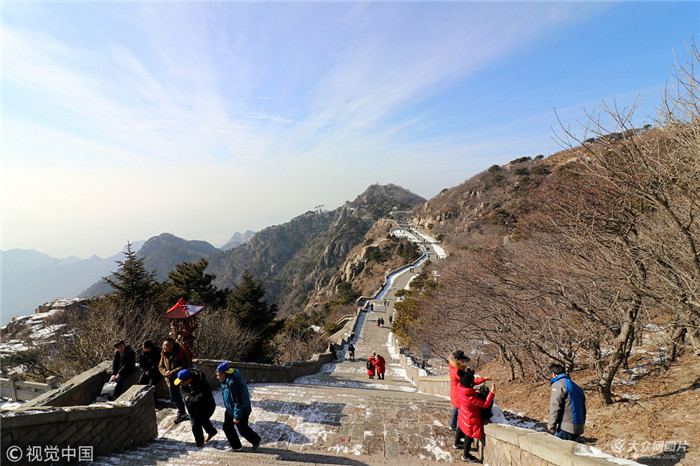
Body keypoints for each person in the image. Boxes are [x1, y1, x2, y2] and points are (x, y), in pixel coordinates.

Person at [216, 362, 262, 452]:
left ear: (224, 373)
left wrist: (236, 416)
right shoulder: (227, 379)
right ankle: (236, 446)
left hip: (241, 409)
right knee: (227, 427)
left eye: (218, 375)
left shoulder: (233, 382)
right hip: (231, 409)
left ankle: (256, 440)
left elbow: (238, 401)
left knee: (242, 429)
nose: (217, 377)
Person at [455, 370, 495, 463]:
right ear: (469, 384)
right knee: (469, 435)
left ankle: (456, 443)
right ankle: (466, 455)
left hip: (463, 413)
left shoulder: (460, 386)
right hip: (470, 417)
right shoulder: (471, 398)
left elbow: (471, 383)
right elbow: (485, 404)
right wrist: (491, 393)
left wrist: (483, 379)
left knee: (461, 425)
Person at [174, 368, 217, 447]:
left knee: (198, 423)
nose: (182, 383)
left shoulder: (201, 383)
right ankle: (210, 434)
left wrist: (188, 398)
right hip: (192, 407)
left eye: (183, 381)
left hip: (205, 406)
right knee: (200, 422)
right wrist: (186, 396)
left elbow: (200, 398)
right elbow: (182, 390)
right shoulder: (184, 384)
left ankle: (200, 441)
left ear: (189, 379)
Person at [548, 363, 586, 441]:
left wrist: (552, 424)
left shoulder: (559, 385)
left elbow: (555, 405)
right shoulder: (575, 386)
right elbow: (583, 407)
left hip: (567, 426)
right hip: (578, 425)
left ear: (553, 374)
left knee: (553, 447)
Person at [159, 337, 191, 424]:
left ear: (172, 345)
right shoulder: (164, 354)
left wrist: (173, 372)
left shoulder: (181, 351)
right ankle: (182, 412)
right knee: (174, 398)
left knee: (186, 397)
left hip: (181, 379)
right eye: (163, 345)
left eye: (166, 345)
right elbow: (160, 366)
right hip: (170, 381)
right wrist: (165, 372)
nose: (164, 347)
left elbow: (185, 365)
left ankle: (192, 413)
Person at [448, 350, 471, 431]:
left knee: (455, 409)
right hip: (458, 393)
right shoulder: (457, 370)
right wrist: (469, 375)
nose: (464, 361)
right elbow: (465, 381)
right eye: (462, 359)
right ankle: (459, 431)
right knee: (460, 413)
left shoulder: (452, 367)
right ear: (457, 360)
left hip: (454, 392)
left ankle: (452, 425)